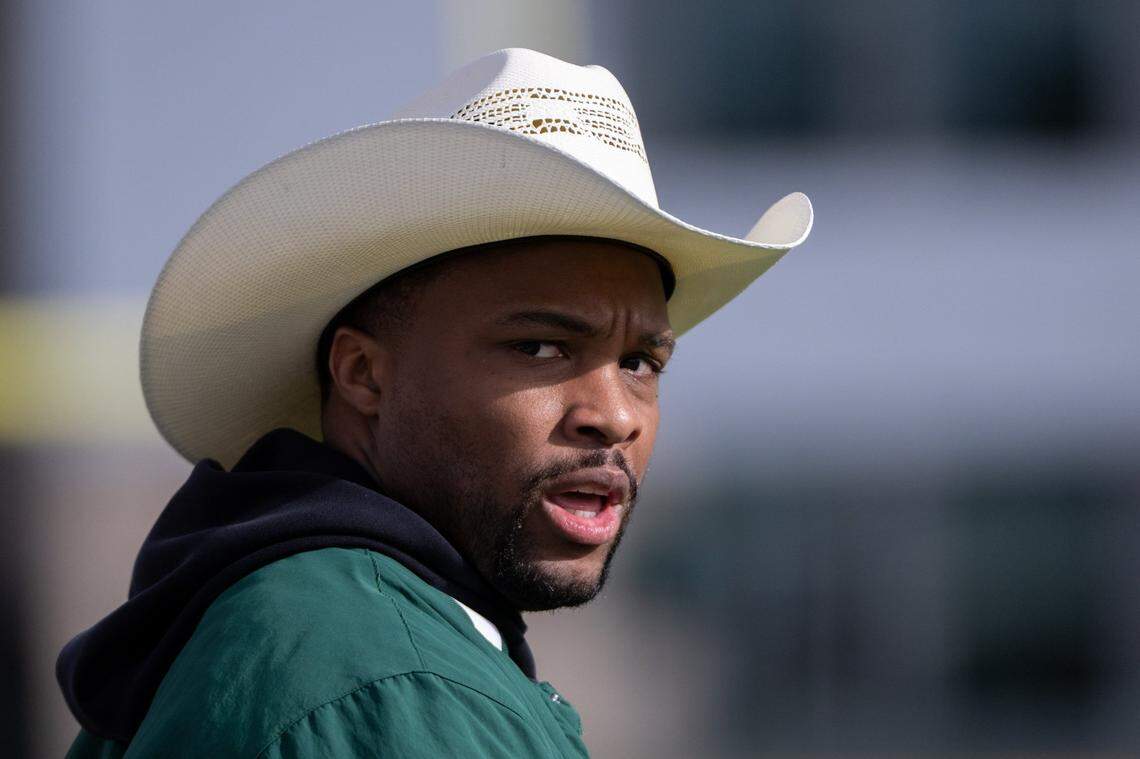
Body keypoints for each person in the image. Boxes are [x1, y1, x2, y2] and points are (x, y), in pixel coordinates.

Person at [56, 48, 812, 758]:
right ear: (363, 374)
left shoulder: (305, 621)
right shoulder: (388, 682)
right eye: (541, 347)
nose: (614, 415)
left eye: (641, 361)